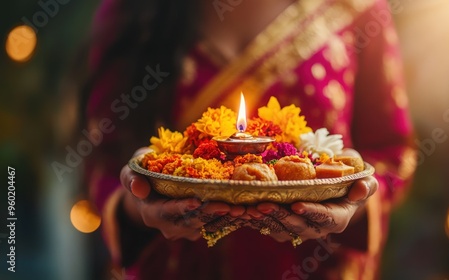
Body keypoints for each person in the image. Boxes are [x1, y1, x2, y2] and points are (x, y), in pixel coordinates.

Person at [84, 0, 415, 279]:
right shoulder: (131, 10)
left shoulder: (355, 8)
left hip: (316, 266)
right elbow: (104, 157)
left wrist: (351, 201)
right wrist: (137, 204)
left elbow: (392, 152)